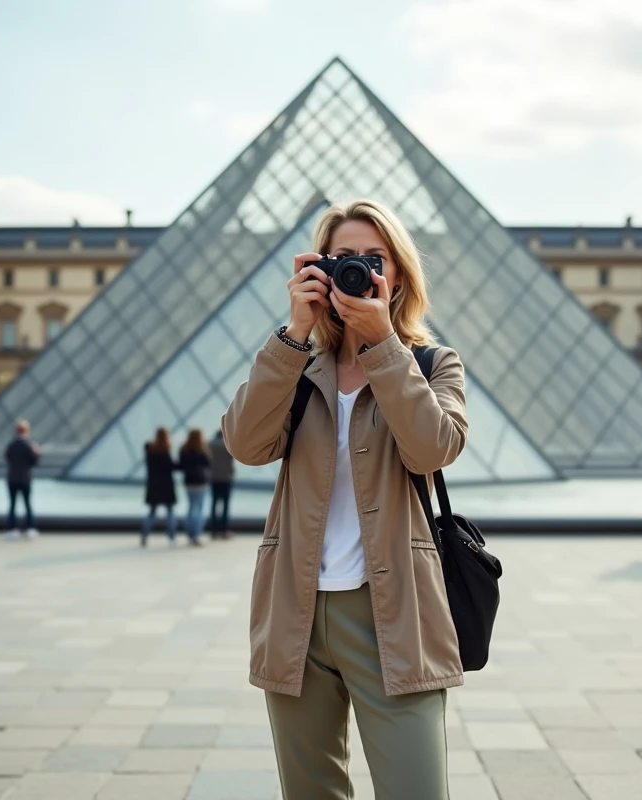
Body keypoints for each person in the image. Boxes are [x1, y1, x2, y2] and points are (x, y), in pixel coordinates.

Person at [222, 199, 468, 799]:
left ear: (399, 275)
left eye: (373, 259)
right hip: (296, 616)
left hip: (394, 611)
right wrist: (295, 333)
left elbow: (433, 447)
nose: (357, 271)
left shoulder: (434, 365)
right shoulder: (295, 368)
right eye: (343, 259)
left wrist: (382, 342)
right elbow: (245, 443)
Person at [4, 420, 41, 539]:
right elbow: (34, 463)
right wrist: (37, 454)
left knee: (12, 505)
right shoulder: (29, 445)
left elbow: (7, 458)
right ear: (26, 431)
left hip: (12, 478)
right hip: (25, 479)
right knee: (27, 504)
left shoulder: (11, 444)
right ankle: (30, 528)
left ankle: (12, 529)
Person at [142, 427, 178, 546]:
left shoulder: (149, 449)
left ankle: (145, 535)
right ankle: (171, 537)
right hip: (166, 485)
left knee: (152, 512)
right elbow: (171, 467)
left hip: (153, 485)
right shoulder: (166, 450)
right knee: (170, 512)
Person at [178, 429, 211, 546]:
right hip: (200, 482)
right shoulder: (202, 449)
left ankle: (190, 533)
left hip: (189, 482)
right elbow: (208, 463)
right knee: (199, 509)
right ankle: (197, 534)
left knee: (191, 508)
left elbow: (180, 465)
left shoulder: (184, 449)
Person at [208, 430, 235, 540]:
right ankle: (224, 530)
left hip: (214, 477)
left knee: (214, 504)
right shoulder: (228, 446)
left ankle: (213, 530)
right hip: (226, 478)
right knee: (225, 505)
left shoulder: (210, 445)